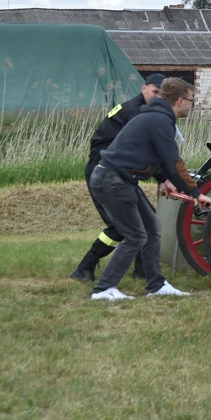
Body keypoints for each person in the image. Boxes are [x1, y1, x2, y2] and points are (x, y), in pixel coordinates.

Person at [89, 77, 211, 301]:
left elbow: (153, 155)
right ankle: (103, 289)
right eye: (191, 100)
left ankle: (156, 285)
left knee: (152, 228)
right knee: (136, 236)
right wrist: (196, 194)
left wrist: (164, 180)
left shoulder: (153, 116)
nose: (191, 105)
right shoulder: (160, 121)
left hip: (120, 179)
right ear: (179, 101)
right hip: (113, 180)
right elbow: (174, 163)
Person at [70, 73, 165, 282]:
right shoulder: (134, 112)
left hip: (123, 176)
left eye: (162, 94)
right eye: (155, 92)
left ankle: (142, 272)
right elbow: (104, 146)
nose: (158, 97)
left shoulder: (146, 112)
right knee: (119, 227)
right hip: (104, 173)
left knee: (147, 221)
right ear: (144, 89)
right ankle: (84, 268)